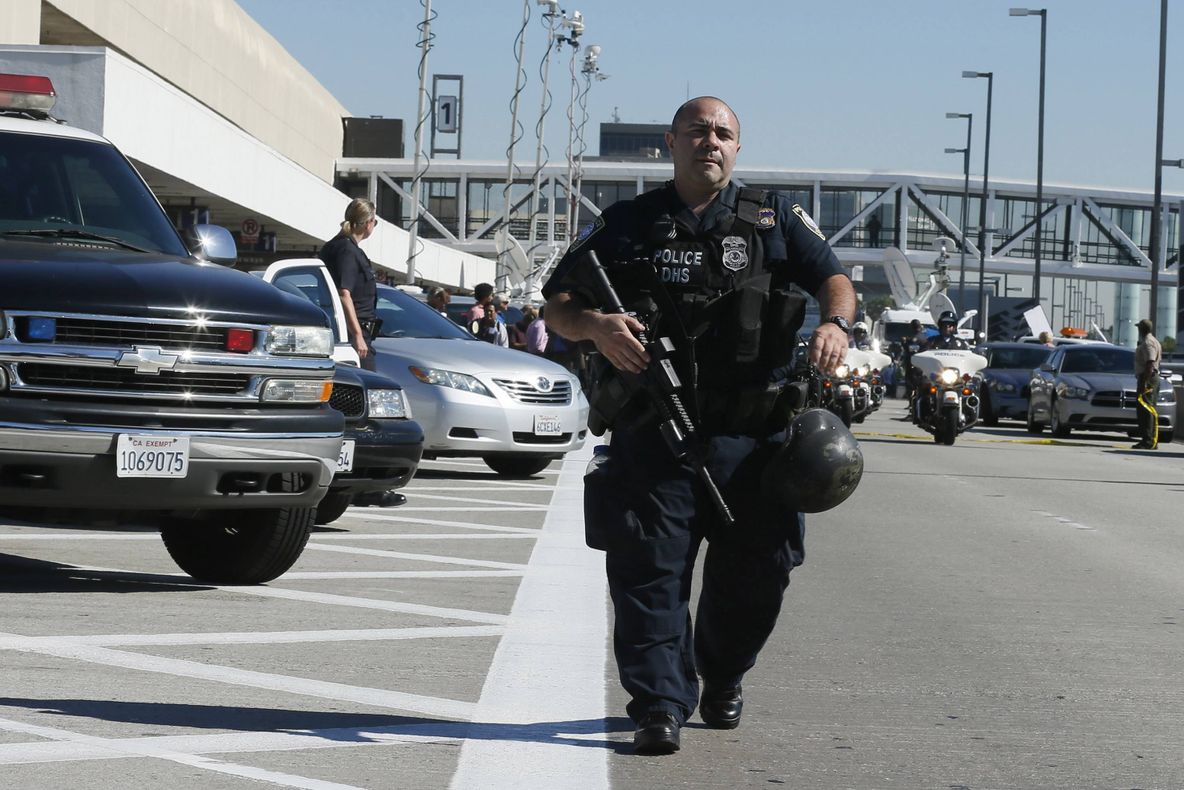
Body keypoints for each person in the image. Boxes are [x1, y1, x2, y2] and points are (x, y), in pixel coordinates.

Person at [542, 96, 855, 755]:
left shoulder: (770, 222)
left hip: (753, 442)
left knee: (757, 576)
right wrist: (595, 327)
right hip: (655, 432)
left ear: (736, 148)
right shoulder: (628, 223)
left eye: (723, 133)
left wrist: (837, 324)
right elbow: (560, 304)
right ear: (672, 143)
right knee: (648, 573)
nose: (709, 142)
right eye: (697, 132)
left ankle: (723, 675)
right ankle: (659, 703)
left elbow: (834, 279)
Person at [319, 198, 380, 371]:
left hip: (344, 329)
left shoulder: (336, 246)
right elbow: (344, 295)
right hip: (352, 332)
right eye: (374, 221)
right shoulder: (347, 251)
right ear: (368, 223)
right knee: (368, 385)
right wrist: (358, 335)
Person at [1133, 318, 1162, 449]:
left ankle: (1148, 441)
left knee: (1146, 410)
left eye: (1139, 327)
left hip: (1148, 377)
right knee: (1148, 409)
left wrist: (1145, 381)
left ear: (1142, 329)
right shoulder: (1153, 340)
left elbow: (1150, 363)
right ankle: (1150, 440)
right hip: (1151, 377)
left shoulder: (1148, 342)